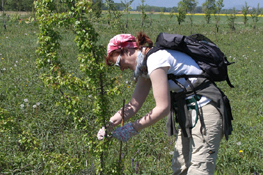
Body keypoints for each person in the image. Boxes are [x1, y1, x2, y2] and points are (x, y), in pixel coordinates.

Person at [97, 32, 231, 174]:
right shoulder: (145, 67)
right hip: (188, 112)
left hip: (206, 109)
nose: (122, 69)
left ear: (127, 50)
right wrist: (109, 125)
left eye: (119, 63)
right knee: (180, 168)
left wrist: (132, 128)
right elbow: (133, 105)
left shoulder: (155, 60)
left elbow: (163, 108)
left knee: (199, 170)